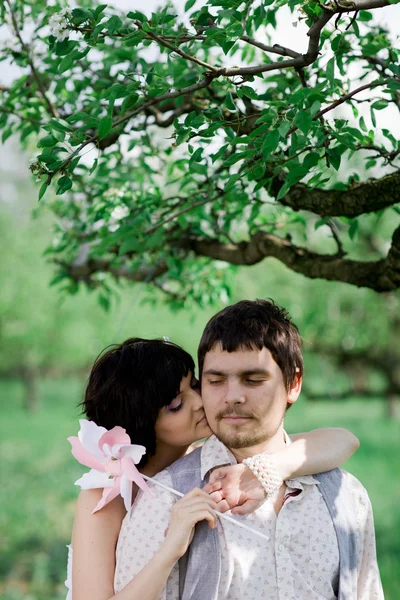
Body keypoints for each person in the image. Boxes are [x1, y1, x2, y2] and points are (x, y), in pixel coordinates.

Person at [114, 301, 383, 600]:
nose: (232, 397)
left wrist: (266, 470)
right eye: (215, 381)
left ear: (293, 383)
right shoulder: (163, 500)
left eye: (253, 380)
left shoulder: (346, 496)